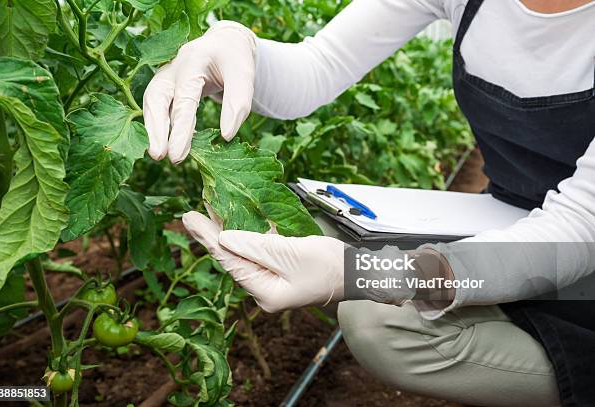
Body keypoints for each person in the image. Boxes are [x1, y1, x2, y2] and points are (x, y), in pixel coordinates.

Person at [143, 0, 595, 405]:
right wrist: (236, 49)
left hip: (580, 254)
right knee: (308, 233)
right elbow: (319, 65)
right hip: (510, 218)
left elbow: (578, 230)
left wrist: (367, 272)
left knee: (375, 314)